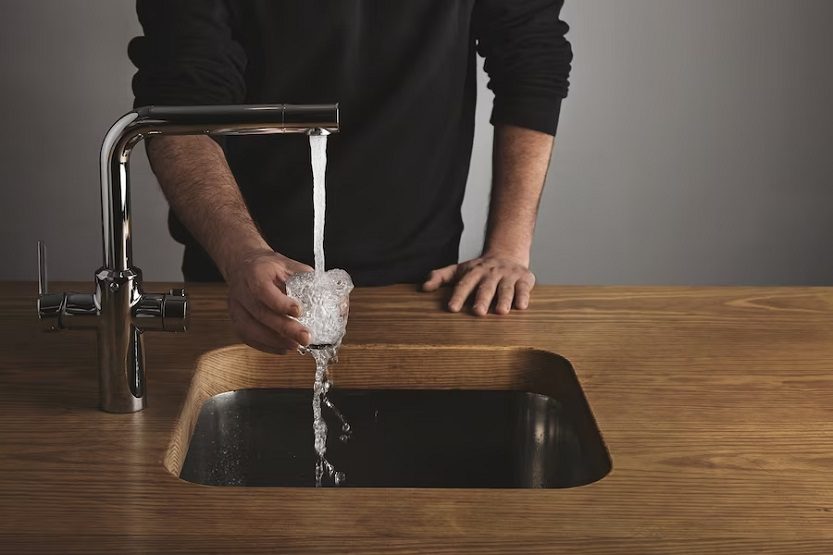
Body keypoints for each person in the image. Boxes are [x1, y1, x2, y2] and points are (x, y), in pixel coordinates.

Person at [129, 0, 572, 354]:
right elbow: (178, 110)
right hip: (241, 285)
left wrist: (509, 249)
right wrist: (242, 255)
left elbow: (531, 61)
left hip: (422, 287)